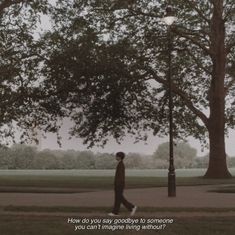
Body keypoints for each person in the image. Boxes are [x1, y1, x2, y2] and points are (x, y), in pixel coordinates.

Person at [108, 152, 137, 216]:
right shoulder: (120, 164)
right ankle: (116, 212)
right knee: (119, 198)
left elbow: (120, 176)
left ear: (119, 157)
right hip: (119, 184)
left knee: (118, 198)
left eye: (116, 156)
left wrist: (117, 184)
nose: (115, 157)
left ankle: (131, 207)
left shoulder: (121, 165)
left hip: (119, 184)